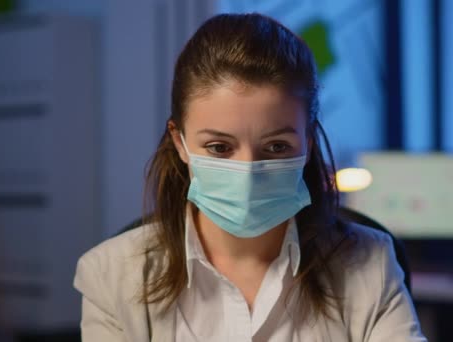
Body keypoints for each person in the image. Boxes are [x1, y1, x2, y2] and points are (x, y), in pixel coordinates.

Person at [73, 13, 427, 342]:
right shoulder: (111, 275)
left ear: (308, 142)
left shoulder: (372, 264)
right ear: (179, 141)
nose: (248, 172)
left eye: (276, 147)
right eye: (219, 147)